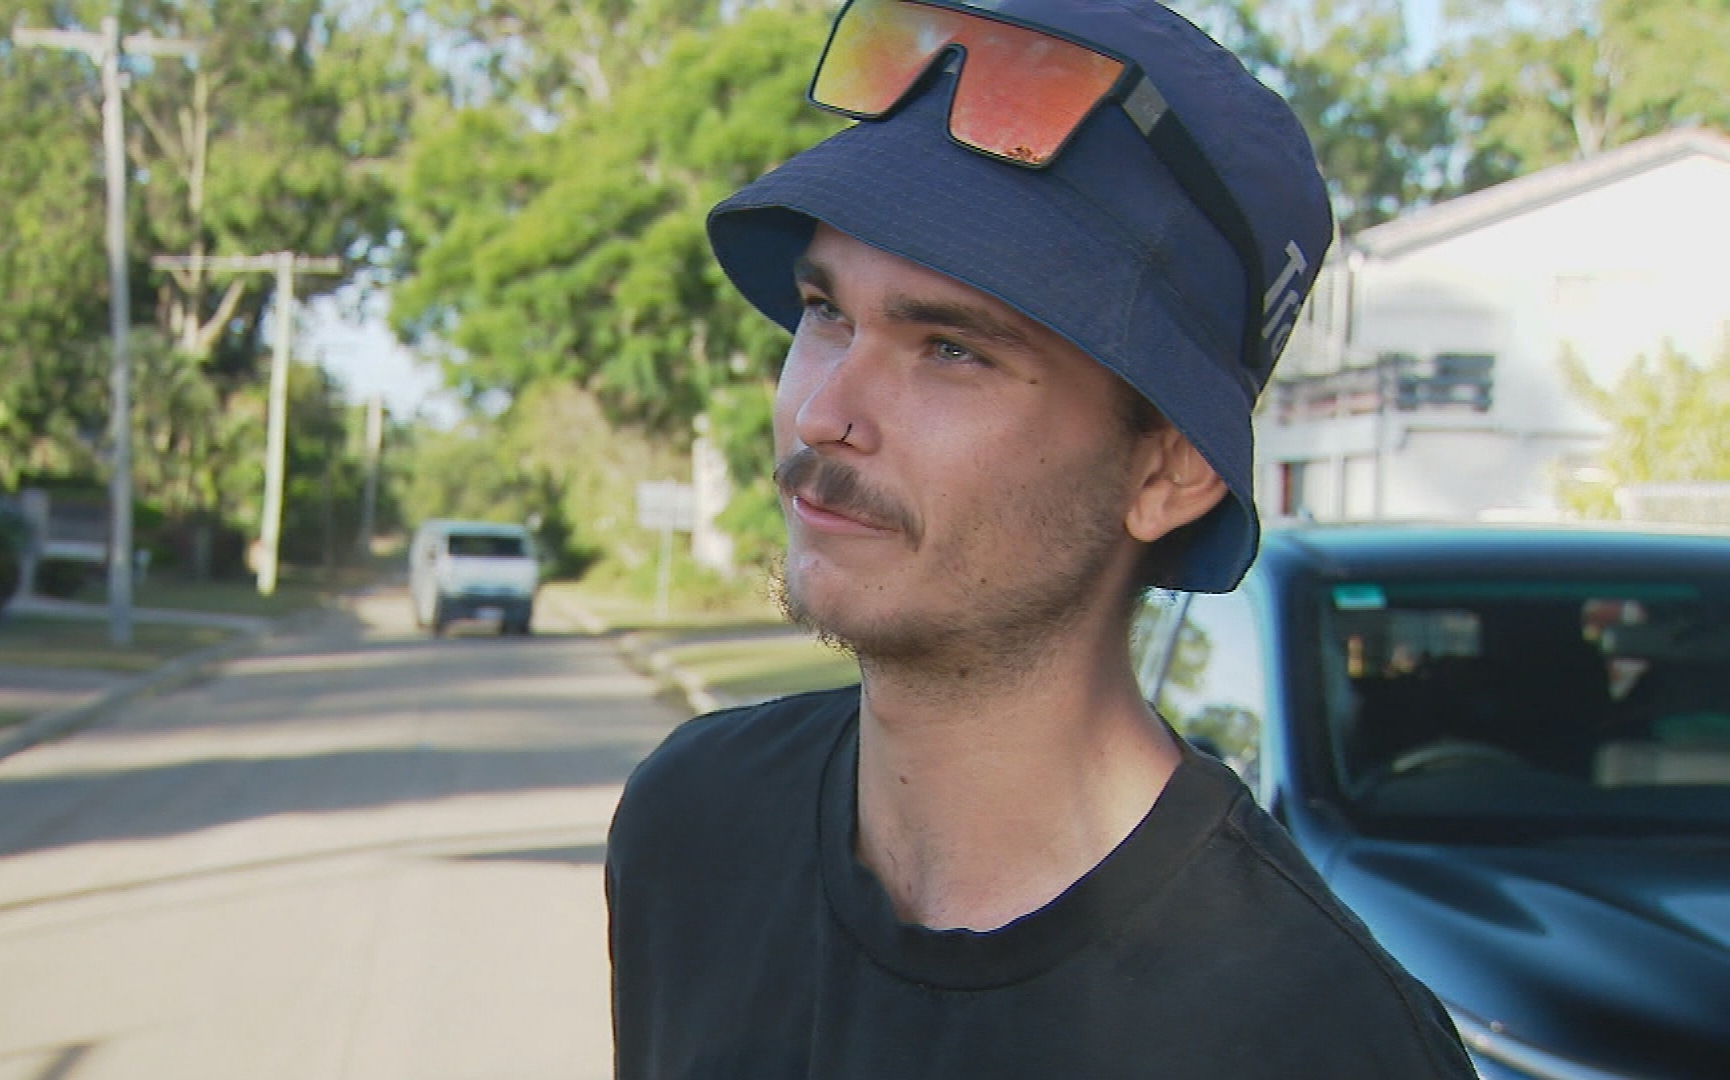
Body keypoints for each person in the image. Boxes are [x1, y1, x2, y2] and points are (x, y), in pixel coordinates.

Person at [606, 1, 1477, 1076]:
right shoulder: (694, 828)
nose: (827, 410)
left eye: (951, 350)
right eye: (827, 312)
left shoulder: (1311, 1032)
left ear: (1168, 469)